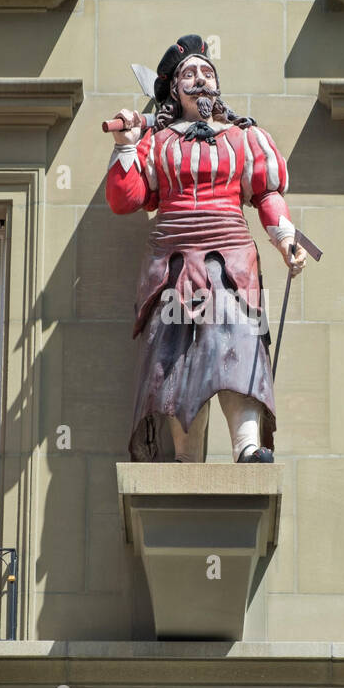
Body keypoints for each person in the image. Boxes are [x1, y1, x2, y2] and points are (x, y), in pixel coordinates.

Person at [106, 34, 307, 463]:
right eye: (190, 74)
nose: (201, 80)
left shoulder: (244, 137)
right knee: (178, 358)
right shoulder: (155, 142)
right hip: (172, 263)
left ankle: (247, 446)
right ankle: (187, 458)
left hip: (231, 259)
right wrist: (125, 145)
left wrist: (286, 240)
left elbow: (267, 194)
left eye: (207, 72)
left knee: (240, 340)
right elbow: (126, 200)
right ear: (175, 89)